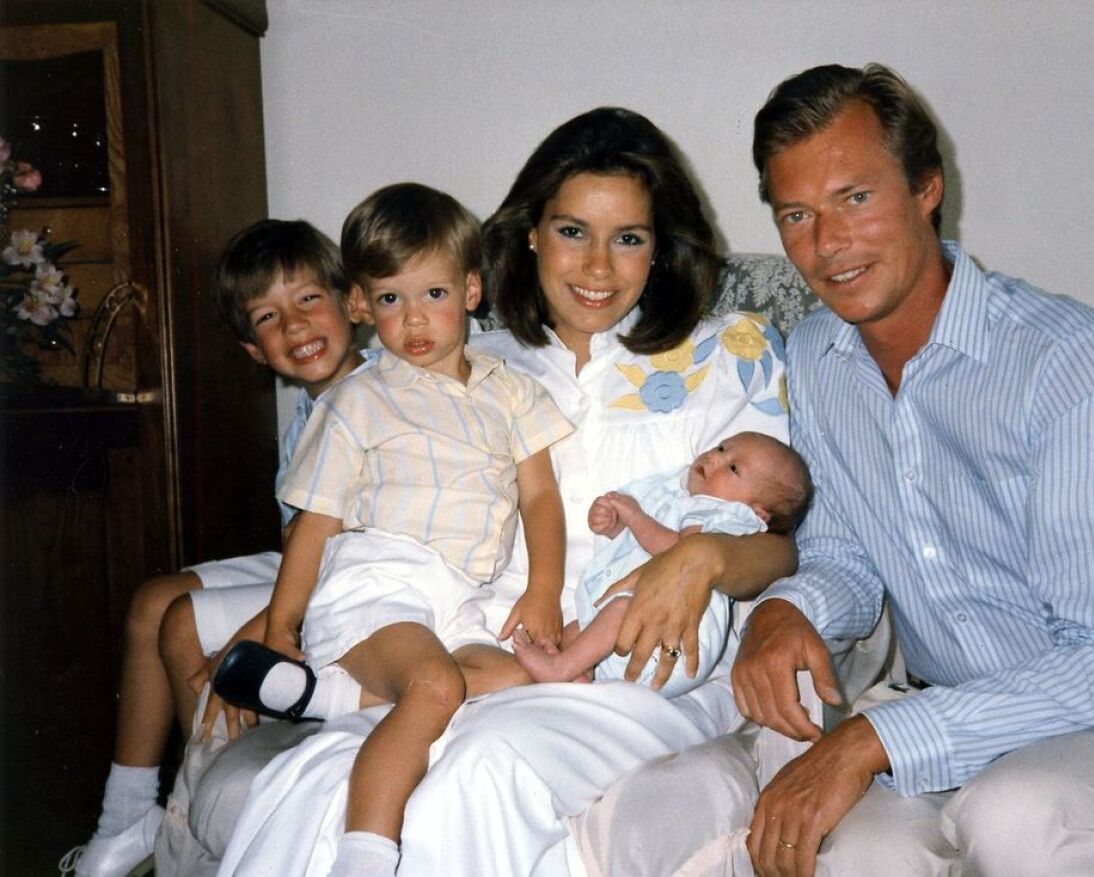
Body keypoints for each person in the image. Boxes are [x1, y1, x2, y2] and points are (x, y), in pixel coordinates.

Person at [216, 107, 794, 877]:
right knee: (316, 788)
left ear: (659, 249)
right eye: (571, 231)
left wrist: (704, 560)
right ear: (529, 233)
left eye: (628, 238)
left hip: (642, 674)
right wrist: (267, 624)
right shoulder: (468, 361)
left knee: (477, 771)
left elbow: (778, 539)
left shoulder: (733, 352)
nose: (596, 266)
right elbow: (375, 512)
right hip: (480, 645)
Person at [732, 62, 1094, 876]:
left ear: (927, 186)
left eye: (856, 198)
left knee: (1022, 814)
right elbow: (847, 557)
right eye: (797, 214)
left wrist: (877, 736)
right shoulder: (816, 355)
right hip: (929, 709)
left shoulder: (1075, 364)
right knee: (849, 853)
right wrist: (787, 608)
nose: (827, 244)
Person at [216, 181, 573, 876]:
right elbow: (316, 524)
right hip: (377, 583)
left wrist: (545, 591)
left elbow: (541, 496)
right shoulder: (358, 400)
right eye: (390, 299)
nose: (414, 320)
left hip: (461, 595)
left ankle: (338, 696)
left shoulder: (512, 392)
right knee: (437, 688)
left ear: (471, 290)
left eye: (433, 294)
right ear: (360, 305)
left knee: (515, 677)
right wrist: (283, 627)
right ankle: (365, 853)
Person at [61, 219, 365, 877]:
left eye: (309, 298)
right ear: (254, 350)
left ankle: (192, 815)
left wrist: (257, 633)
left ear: (353, 302)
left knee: (183, 623)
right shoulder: (315, 410)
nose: (294, 325)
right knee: (153, 599)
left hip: (357, 574)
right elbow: (303, 537)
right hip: (310, 558)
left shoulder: (374, 401)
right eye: (268, 316)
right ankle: (126, 817)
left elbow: (348, 553)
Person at [514, 431, 812, 697]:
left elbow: (677, 552)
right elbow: (641, 548)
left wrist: (634, 517)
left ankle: (561, 668)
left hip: (675, 637)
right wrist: (615, 526)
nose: (714, 457)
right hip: (641, 633)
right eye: (722, 448)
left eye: (733, 468)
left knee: (618, 611)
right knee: (579, 630)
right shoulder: (680, 499)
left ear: (758, 512)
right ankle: (581, 674)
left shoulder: (723, 515)